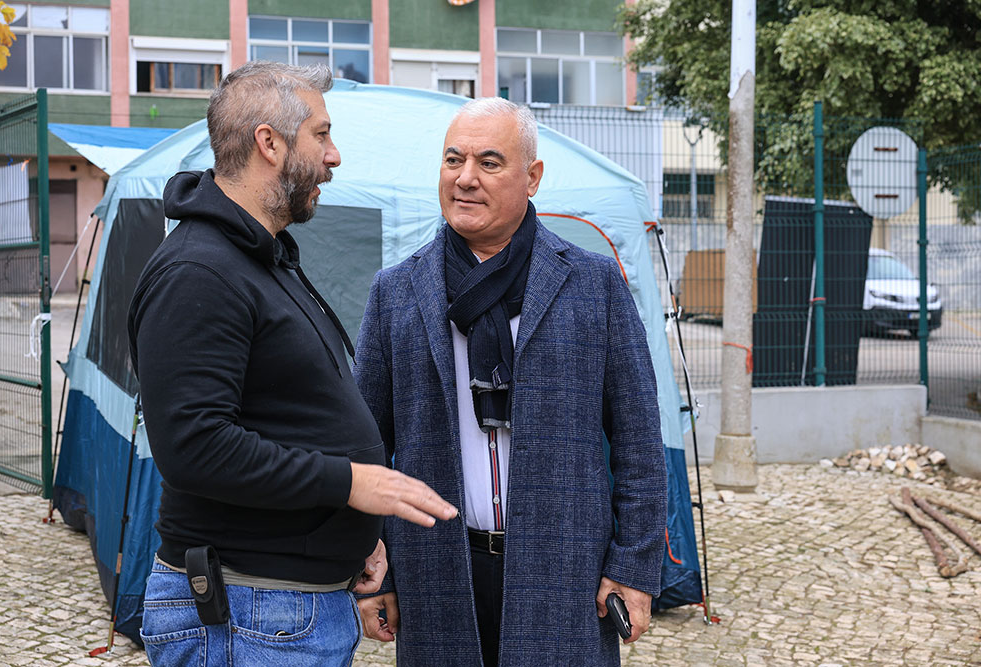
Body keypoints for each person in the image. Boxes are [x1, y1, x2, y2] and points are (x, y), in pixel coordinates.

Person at [127, 61, 458, 667]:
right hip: (245, 613)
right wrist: (352, 484)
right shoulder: (199, 272)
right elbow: (194, 447)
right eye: (323, 134)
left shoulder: (262, 258)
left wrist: (351, 536)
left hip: (285, 608)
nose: (334, 157)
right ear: (269, 142)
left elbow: (285, 414)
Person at [353, 97, 668, 666]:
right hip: (436, 573)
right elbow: (367, 446)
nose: (466, 178)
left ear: (532, 177)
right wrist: (375, 568)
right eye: (454, 160)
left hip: (565, 575)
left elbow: (639, 438)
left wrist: (633, 565)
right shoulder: (397, 292)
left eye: (490, 162)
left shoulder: (592, 286)